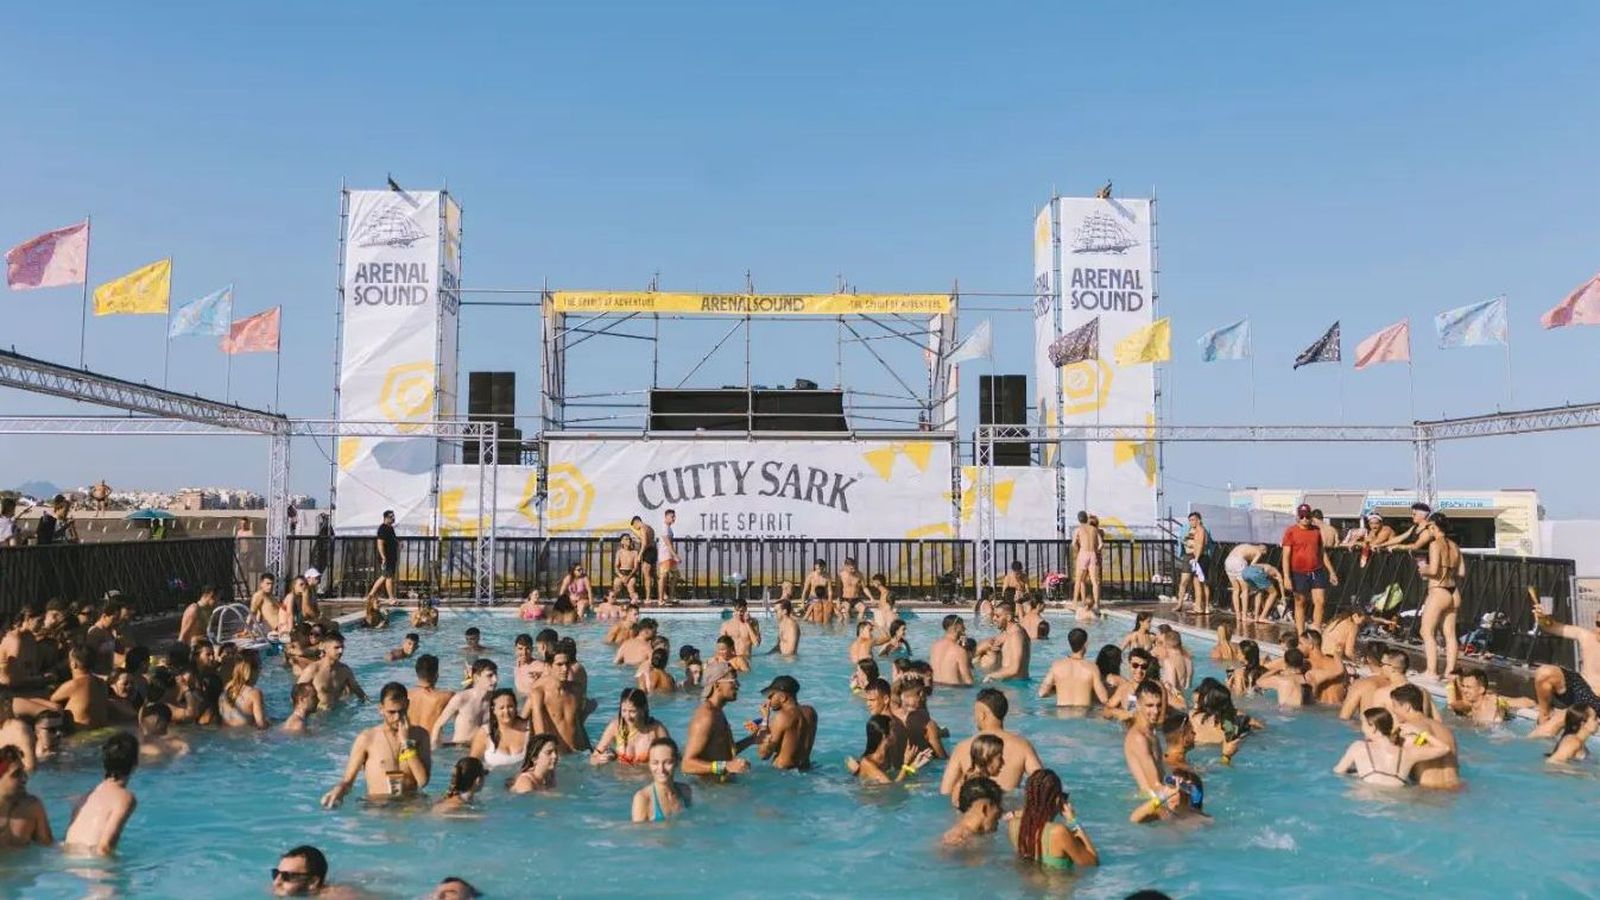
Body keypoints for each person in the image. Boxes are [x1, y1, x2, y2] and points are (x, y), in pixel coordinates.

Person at [321, 682, 432, 807]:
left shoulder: (421, 736)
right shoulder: (367, 739)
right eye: (391, 712)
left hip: (409, 806)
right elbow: (348, 781)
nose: (397, 717)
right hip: (378, 806)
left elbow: (422, 781)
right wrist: (338, 790)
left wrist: (406, 743)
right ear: (381, 709)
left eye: (401, 711)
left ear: (408, 705)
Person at [940, 688, 1043, 794]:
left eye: (975, 713)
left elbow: (945, 791)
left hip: (975, 802)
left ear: (982, 715)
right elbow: (1042, 783)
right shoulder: (1022, 746)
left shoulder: (962, 747)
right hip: (1009, 802)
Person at [1529, 590, 1600, 727]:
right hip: (1581, 690)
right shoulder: (1586, 636)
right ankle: (1544, 714)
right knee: (1545, 672)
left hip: (1596, 702)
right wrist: (1542, 617)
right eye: (1598, 624)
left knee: (1559, 721)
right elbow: (1552, 627)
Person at [1332, 707, 1450, 787]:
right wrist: (1419, 732)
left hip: (1367, 802)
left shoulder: (1358, 747)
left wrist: (1358, 772)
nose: (1361, 728)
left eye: (1363, 724)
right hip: (1397, 801)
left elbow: (1338, 772)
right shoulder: (1408, 753)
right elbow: (1445, 748)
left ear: (1373, 727)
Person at [1008, 769, 1098, 873]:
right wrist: (1073, 821)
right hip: (1057, 883)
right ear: (1057, 800)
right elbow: (1093, 863)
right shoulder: (1059, 832)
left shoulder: (1013, 825)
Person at [63, 732, 139, 854]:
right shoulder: (125, 798)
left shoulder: (87, 796)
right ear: (135, 764)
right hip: (92, 860)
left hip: (67, 855)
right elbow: (104, 847)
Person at [681, 661, 759, 777]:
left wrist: (752, 739)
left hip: (722, 783)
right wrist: (725, 766)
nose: (738, 685)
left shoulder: (717, 712)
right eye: (733, 681)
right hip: (708, 787)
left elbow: (723, 752)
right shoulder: (706, 717)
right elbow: (687, 765)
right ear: (717, 685)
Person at [1417, 512, 1466, 680]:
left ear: (1433, 527)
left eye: (1428, 527)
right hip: (1453, 591)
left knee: (1426, 631)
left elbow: (1433, 570)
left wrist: (1423, 569)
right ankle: (1450, 672)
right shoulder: (1455, 545)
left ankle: (1431, 672)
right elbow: (1461, 572)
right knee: (1450, 634)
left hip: (1439, 590)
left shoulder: (1435, 544)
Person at [1282, 503, 1338, 633]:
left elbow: (1322, 553)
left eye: (1307, 516)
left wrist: (1331, 572)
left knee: (1320, 601)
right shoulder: (1291, 531)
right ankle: (1301, 633)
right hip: (1298, 572)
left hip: (1316, 570)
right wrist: (1286, 577)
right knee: (1300, 602)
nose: (1304, 519)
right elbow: (1286, 556)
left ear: (1311, 516)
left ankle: (1316, 629)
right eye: (1302, 516)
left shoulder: (1316, 531)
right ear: (1298, 517)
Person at [1390, 684, 1459, 788]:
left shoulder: (1407, 732)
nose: (1393, 710)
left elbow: (1394, 769)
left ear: (1407, 707)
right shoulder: (1445, 730)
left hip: (1427, 792)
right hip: (1455, 790)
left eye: (1395, 705)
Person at [525, 649, 591, 753]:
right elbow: (536, 731)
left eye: (567, 664)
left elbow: (579, 726)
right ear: (548, 666)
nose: (565, 669)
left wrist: (591, 750)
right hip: (556, 756)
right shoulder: (539, 693)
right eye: (559, 664)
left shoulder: (576, 690)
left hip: (578, 753)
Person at [592, 688, 671, 766]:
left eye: (632, 711)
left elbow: (672, 760)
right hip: (620, 774)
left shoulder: (656, 730)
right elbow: (593, 758)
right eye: (624, 711)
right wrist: (599, 759)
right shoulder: (615, 727)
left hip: (646, 774)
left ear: (644, 709)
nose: (627, 717)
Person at [753, 675, 817, 771]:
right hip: (806, 768)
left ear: (782, 697)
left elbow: (764, 754)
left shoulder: (781, 717)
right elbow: (792, 739)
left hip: (783, 772)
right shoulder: (811, 712)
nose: (768, 700)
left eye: (771, 696)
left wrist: (765, 720)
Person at [847, 714, 935, 783]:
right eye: (893, 729)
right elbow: (891, 786)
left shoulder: (887, 754)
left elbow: (897, 778)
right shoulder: (867, 763)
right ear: (884, 736)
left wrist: (914, 765)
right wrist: (906, 763)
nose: (896, 732)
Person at [431, 659, 497, 747]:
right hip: (460, 749)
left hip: (483, 749)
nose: (495, 679)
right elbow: (438, 725)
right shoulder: (462, 699)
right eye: (490, 675)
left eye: (496, 675)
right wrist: (435, 750)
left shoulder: (496, 701)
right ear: (476, 677)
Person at [1039, 627, 1110, 708]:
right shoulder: (1092, 668)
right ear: (1086, 644)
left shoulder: (1056, 666)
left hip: (1061, 712)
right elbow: (1104, 699)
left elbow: (1042, 693)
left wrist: (1059, 689)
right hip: (1083, 713)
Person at [0, 745, 52, 847]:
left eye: (23, 772)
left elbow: (49, 848)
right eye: (16, 774)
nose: (25, 778)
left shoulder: (32, 808)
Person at [298, 633, 367, 708]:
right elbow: (296, 696)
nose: (340, 651)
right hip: (319, 713)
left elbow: (360, 694)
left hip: (338, 711)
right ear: (324, 647)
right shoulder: (313, 670)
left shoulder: (345, 670)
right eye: (336, 648)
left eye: (342, 647)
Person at [49, 645, 109, 729]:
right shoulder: (102, 683)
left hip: (81, 731)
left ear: (73, 664)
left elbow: (52, 699)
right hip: (102, 729)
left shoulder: (74, 684)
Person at [633, 737, 692, 822]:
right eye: (655, 763)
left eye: (667, 762)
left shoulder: (685, 791)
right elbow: (638, 830)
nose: (661, 769)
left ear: (677, 763)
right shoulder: (643, 798)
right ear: (649, 764)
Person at [1446, 670, 1535, 725]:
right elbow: (1453, 704)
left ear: (1481, 690)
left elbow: (1527, 702)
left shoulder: (1493, 702)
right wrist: (1452, 684)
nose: (1464, 690)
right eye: (1463, 686)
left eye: (1468, 687)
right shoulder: (1470, 706)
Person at [469, 689, 529, 768]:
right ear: (494, 710)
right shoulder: (485, 733)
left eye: (510, 706)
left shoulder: (528, 729)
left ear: (515, 707)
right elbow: (471, 764)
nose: (506, 711)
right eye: (501, 708)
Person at [1130, 766, 1209, 825]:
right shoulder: (1164, 813)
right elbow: (1134, 819)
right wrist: (1162, 796)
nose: (1174, 793)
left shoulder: (1202, 819)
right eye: (1171, 786)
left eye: (1180, 787)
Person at [941, 776, 1004, 848]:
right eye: (998, 807)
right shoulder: (959, 840)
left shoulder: (969, 836)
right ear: (984, 808)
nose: (1001, 813)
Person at [976, 601, 1030, 682]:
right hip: (1009, 683)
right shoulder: (1006, 633)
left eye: (997, 616)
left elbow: (1015, 669)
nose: (994, 619)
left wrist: (991, 676)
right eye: (994, 615)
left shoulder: (1016, 635)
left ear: (1008, 617)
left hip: (1017, 685)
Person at [219, 650, 269, 728]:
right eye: (259, 666)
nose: (260, 669)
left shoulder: (226, 689)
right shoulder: (254, 693)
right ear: (251, 670)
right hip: (244, 734)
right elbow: (261, 726)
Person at [364, 509, 401, 612]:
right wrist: (383, 557)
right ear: (386, 518)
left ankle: (371, 594)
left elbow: (393, 540)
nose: (393, 518)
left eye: (393, 516)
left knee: (384, 576)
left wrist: (398, 543)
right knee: (389, 577)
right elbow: (380, 543)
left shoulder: (390, 528)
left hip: (391, 557)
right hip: (386, 557)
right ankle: (391, 598)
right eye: (391, 517)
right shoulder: (382, 528)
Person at [408, 654, 455, 733]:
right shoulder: (445, 696)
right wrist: (469, 680)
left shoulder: (405, 695)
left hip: (409, 739)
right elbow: (466, 701)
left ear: (417, 673)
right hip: (430, 739)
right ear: (436, 674)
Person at [1221, 543, 1267, 623]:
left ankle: (1238, 615)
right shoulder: (1258, 552)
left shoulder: (1246, 545)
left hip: (1228, 561)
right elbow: (1252, 565)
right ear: (1263, 550)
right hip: (1238, 561)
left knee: (1236, 590)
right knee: (1245, 590)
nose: (1262, 556)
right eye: (1263, 555)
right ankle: (1244, 616)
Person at [1177, 511, 1212, 615]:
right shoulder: (1193, 529)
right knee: (1198, 583)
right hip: (1196, 557)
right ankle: (1200, 607)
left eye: (1193, 520)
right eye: (1190, 520)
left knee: (1201, 583)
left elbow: (1200, 544)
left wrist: (1196, 558)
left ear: (1199, 520)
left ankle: (1201, 607)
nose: (1191, 522)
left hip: (1199, 558)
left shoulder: (1201, 530)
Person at [1070, 511, 1103, 612]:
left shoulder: (1078, 529)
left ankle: (1075, 603)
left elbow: (1073, 543)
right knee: (1095, 582)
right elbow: (1101, 544)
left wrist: (1077, 551)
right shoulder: (1094, 529)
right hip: (1092, 554)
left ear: (1079, 519)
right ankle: (1097, 605)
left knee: (1079, 580)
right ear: (1086, 519)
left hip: (1083, 553)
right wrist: (1096, 551)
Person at [930, 615, 974, 686]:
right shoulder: (960, 651)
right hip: (953, 688)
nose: (965, 629)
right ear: (956, 628)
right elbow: (967, 680)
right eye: (963, 626)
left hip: (935, 686)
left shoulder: (934, 645)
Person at [629, 515, 659, 604]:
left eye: (634, 526)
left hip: (648, 552)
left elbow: (645, 543)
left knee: (646, 575)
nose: (636, 529)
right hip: (653, 550)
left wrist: (640, 555)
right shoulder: (649, 528)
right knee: (654, 574)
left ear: (636, 522)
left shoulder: (642, 528)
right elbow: (649, 540)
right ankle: (663, 594)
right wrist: (638, 539)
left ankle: (648, 597)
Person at [612, 532, 643, 604]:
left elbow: (635, 567)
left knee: (631, 586)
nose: (628, 540)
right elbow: (616, 566)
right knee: (616, 584)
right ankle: (613, 600)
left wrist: (628, 577)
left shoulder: (634, 552)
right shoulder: (619, 552)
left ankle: (634, 602)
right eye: (626, 539)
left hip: (631, 573)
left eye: (629, 539)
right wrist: (621, 576)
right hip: (621, 572)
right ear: (622, 542)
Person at [656, 508, 680, 603]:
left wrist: (673, 555)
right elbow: (668, 544)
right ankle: (660, 599)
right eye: (672, 517)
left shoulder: (669, 528)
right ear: (666, 517)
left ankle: (670, 596)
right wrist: (675, 555)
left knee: (676, 575)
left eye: (674, 517)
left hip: (670, 556)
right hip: (665, 556)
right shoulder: (664, 528)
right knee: (663, 576)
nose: (674, 519)